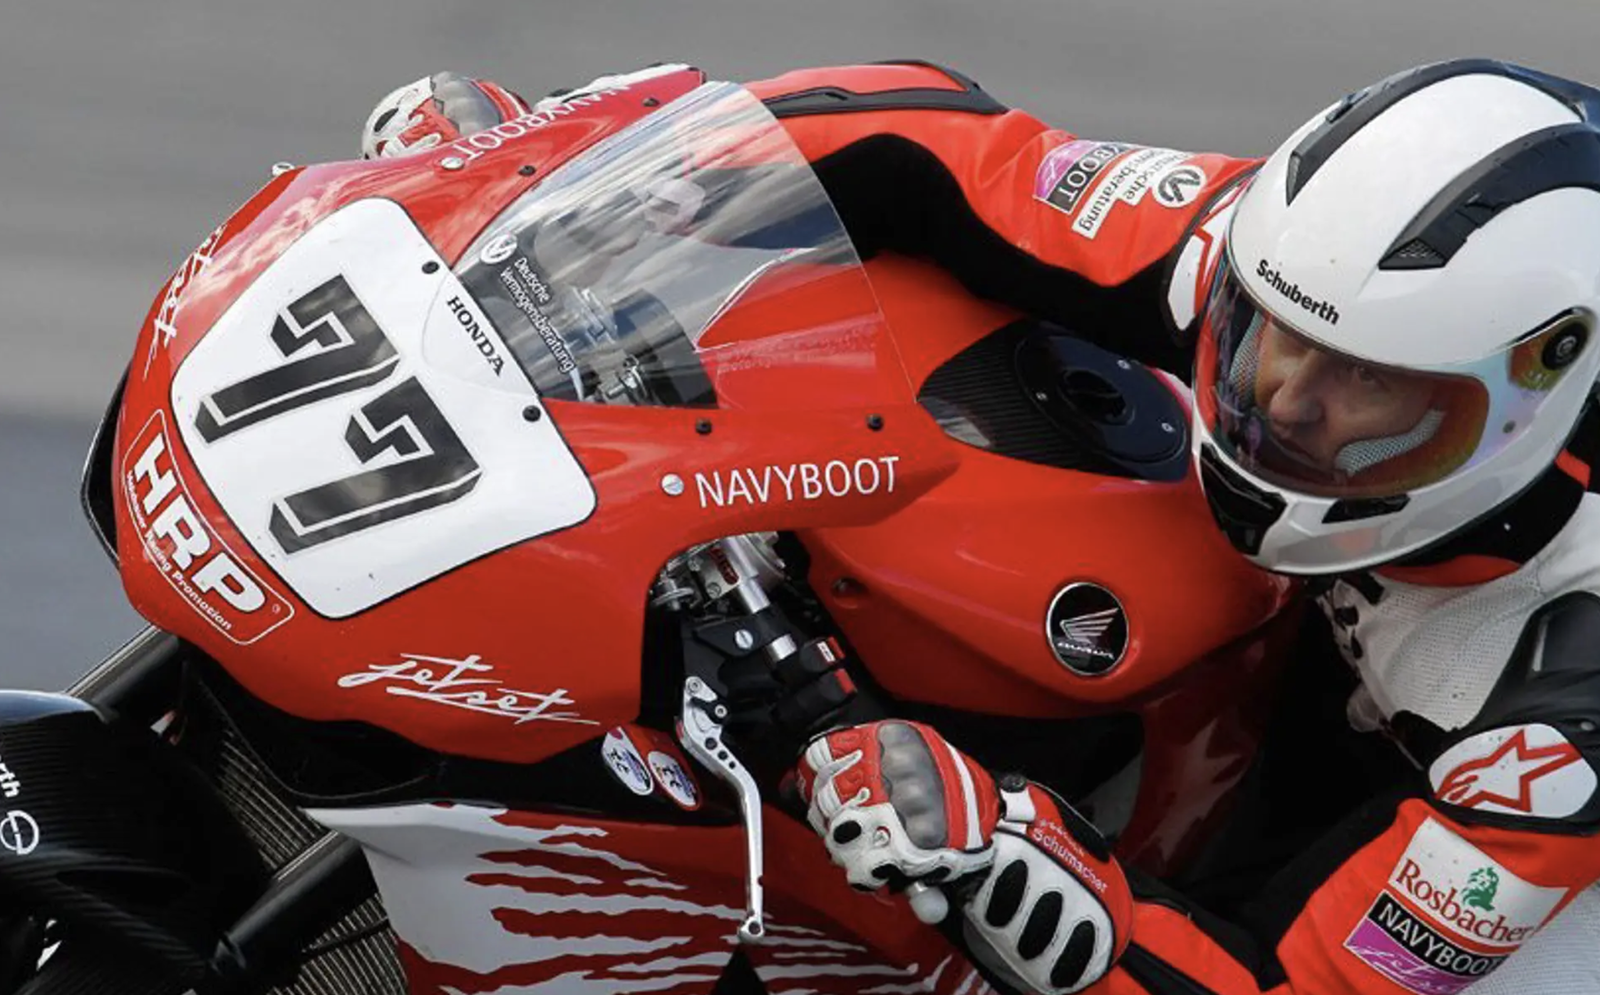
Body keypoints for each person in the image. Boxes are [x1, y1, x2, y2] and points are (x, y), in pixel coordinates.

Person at [361, 60, 1600, 994]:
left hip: (1478, 842)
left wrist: (999, 860)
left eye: (1366, 388)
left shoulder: (1558, 737)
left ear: (1545, 387)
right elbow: (943, 152)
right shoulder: (1294, 266)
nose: (1283, 398)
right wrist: (575, 182)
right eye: (1276, 338)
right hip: (1350, 638)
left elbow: (1272, 983)